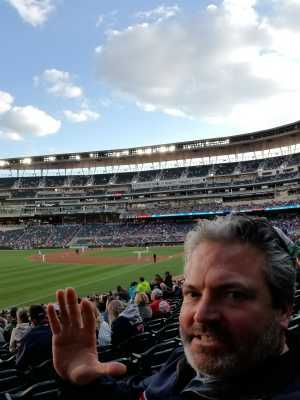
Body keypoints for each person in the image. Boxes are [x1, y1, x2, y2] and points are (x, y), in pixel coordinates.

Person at [47, 215, 300, 399]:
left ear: (284, 310)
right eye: (192, 293)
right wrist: (83, 384)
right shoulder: (186, 364)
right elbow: (141, 394)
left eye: (234, 294)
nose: (200, 314)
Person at [16, 304, 52, 370]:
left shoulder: (29, 337)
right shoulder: (58, 330)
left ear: (32, 320)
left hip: (40, 378)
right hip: (61, 375)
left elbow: (19, 364)